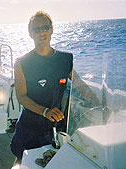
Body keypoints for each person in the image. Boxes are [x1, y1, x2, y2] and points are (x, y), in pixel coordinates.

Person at [10, 10, 100, 164]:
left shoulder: (65, 59)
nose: (41, 32)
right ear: (30, 33)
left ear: (52, 29)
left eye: (45, 27)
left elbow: (80, 86)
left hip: (56, 126)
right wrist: (45, 111)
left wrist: (100, 104)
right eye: (36, 29)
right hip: (29, 126)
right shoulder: (22, 63)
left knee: (53, 162)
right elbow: (22, 97)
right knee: (23, 161)